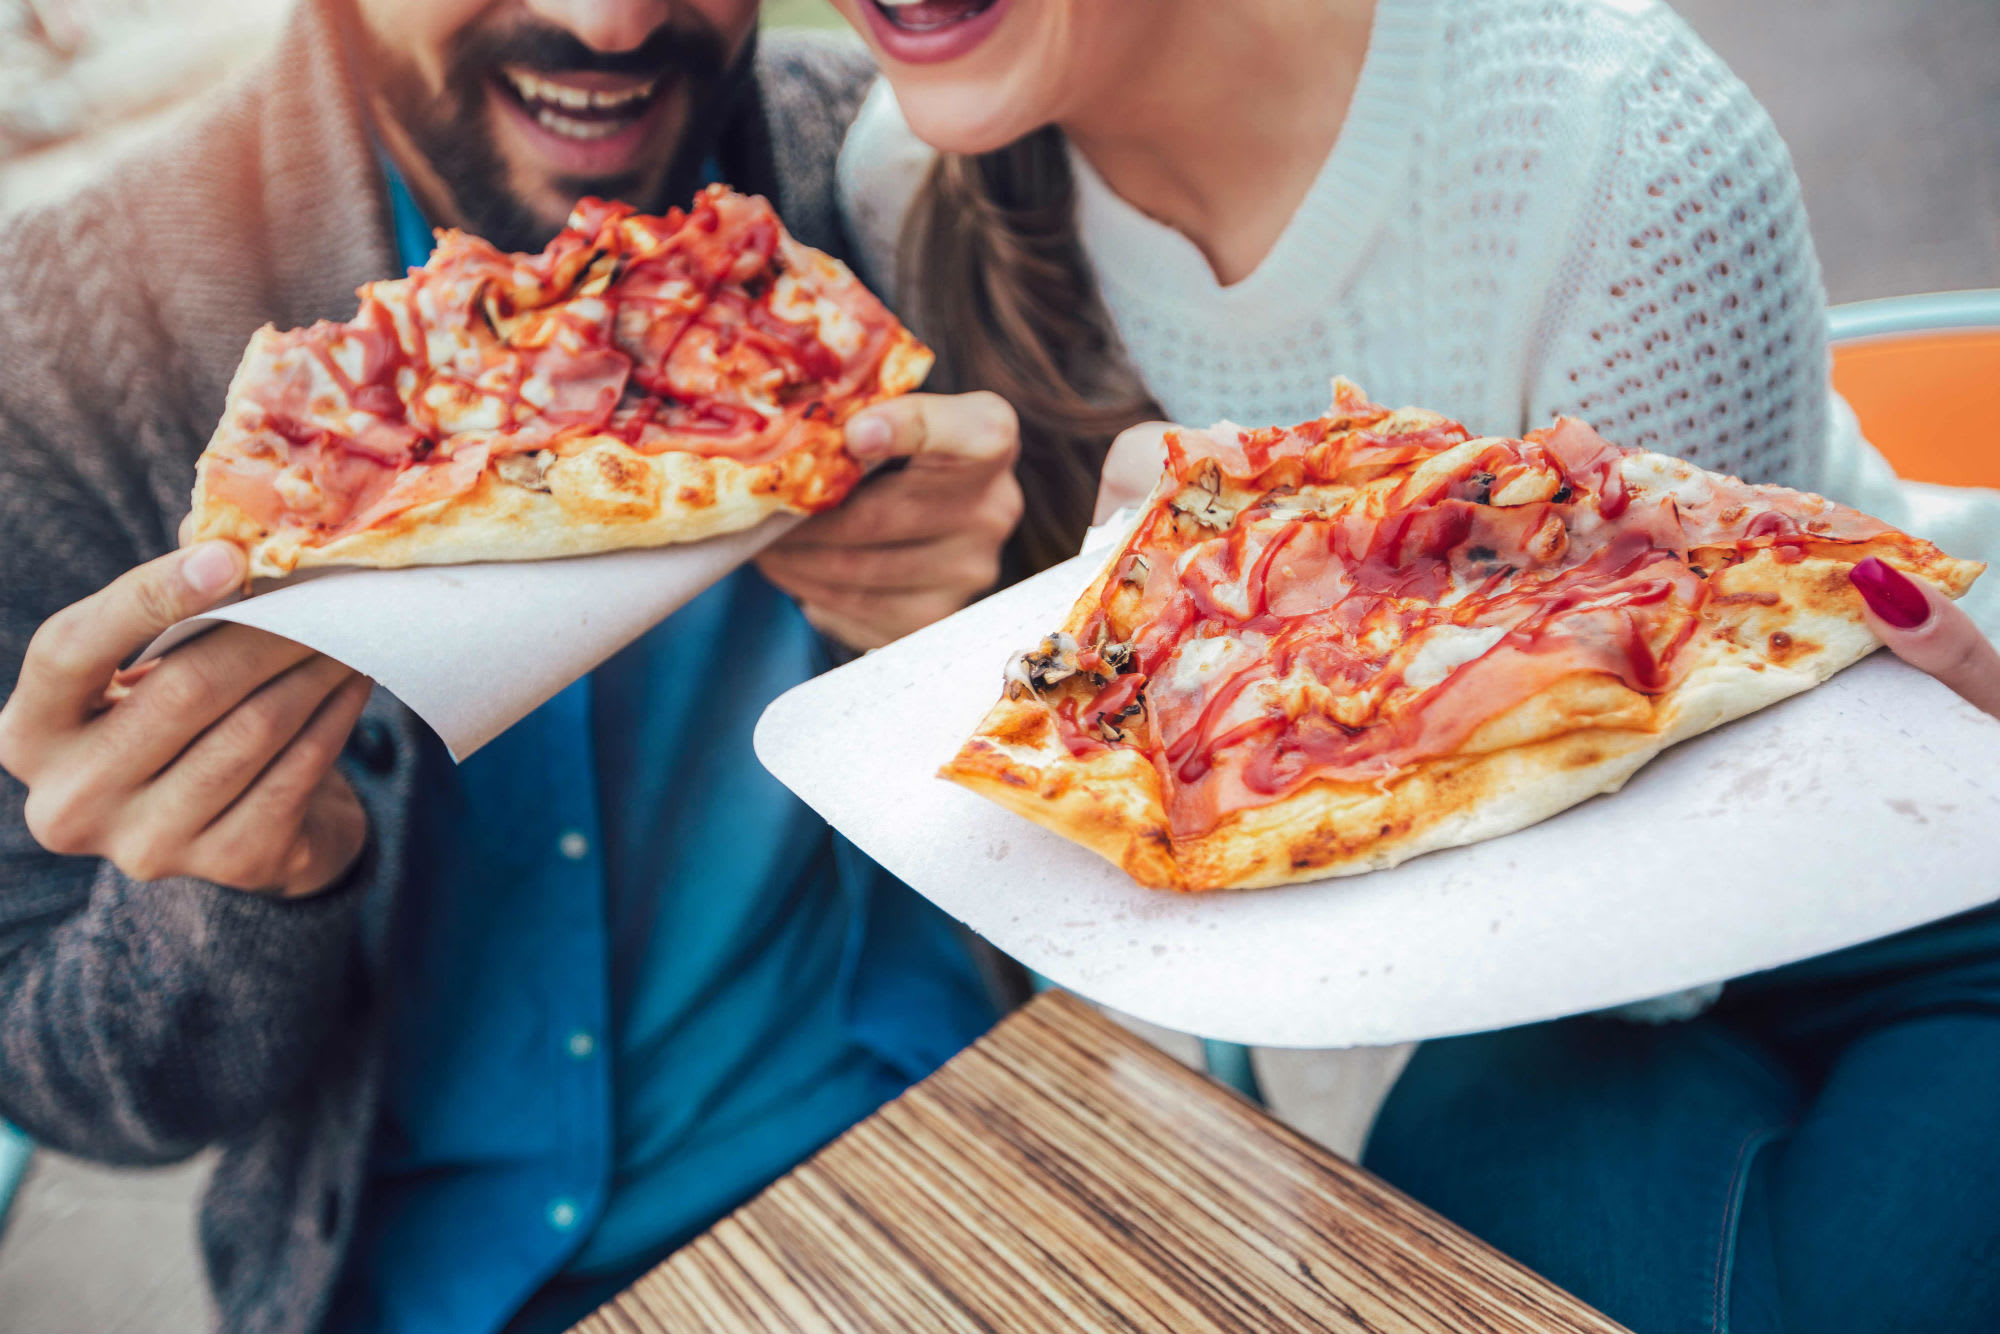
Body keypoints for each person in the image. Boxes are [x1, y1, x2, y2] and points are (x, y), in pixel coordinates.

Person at [824, 0, 2000, 1329]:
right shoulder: (907, 168)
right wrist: (1106, 625)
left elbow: (1667, 914)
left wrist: (1270, 607)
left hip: (1908, 860)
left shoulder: (1618, 139)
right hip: (1481, 980)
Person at [0, 3, 1026, 1332]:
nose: (612, 21)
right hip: (432, 1283)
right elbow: (79, 1089)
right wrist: (228, 896)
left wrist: (1008, 631)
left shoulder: (894, 155)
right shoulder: (60, 338)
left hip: (934, 1142)